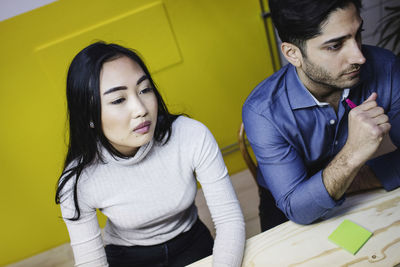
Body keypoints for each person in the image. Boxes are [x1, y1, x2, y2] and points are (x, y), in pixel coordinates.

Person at [55, 41, 245, 266]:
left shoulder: (190, 135)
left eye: (144, 89)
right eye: (118, 100)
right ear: (89, 116)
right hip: (128, 258)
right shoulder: (78, 182)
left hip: (191, 243)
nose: (141, 109)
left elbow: (229, 220)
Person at [242, 0, 400, 231]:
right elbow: (298, 208)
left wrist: (345, 180)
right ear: (292, 53)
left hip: (369, 182)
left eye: (358, 34)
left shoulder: (387, 67)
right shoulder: (262, 112)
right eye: (335, 46)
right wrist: (354, 152)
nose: (359, 57)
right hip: (286, 206)